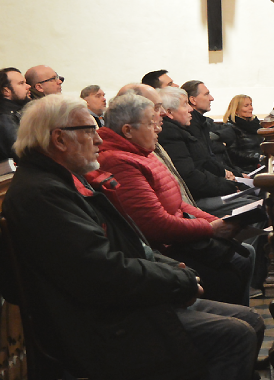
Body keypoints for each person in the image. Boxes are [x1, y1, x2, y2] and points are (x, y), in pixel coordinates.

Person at [0, 94, 262, 380]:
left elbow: (129, 244)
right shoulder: (43, 195)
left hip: (114, 307)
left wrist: (174, 271)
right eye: (90, 130)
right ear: (59, 139)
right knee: (236, 334)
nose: (99, 139)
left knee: (249, 319)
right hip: (101, 326)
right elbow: (103, 272)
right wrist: (178, 281)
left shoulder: (62, 181)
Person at [94, 93, 255, 307]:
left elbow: (177, 202)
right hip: (165, 249)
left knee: (240, 256)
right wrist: (210, 229)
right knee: (230, 272)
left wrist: (214, 221)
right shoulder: (118, 161)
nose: (158, 128)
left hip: (180, 236)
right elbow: (154, 224)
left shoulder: (143, 152)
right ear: (128, 131)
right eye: (151, 123)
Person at [157, 87, 244, 213]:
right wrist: (228, 186)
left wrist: (227, 177)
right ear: (169, 112)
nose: (190, 109)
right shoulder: (170, 133)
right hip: (196, 200)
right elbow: (190, 177)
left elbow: (204, 162)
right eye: (185, 104)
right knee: (255, 205)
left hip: (207, 189)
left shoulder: (182, 130)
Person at [0, 68, 31, 162]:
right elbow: (22, 155)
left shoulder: (16, 112)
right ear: (6, 91)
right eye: (21, 83)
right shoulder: (3, 118)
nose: (28, 86)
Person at [223, 95, 265, 173]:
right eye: (246, 106)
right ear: (236, 110)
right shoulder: (230, 128)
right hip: (244, 169)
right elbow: (232, 153)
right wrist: (257, 157)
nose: (251, 108)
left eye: (251, 104)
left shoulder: (255, 125)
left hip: (259, 165)